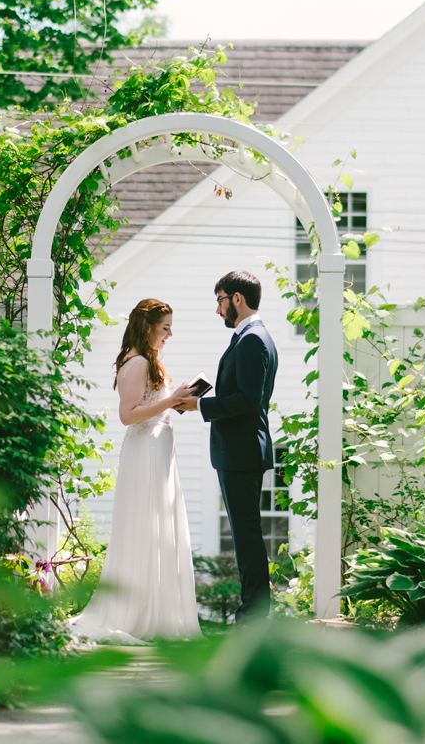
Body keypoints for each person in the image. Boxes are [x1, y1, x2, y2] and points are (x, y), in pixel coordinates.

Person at [68, 298, 202, 644]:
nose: (170, 334)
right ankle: (140, 612)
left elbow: (148, 407)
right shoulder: (139, 361)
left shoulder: (145, 360)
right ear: (148, 328)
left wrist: (175, 400)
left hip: (156, 452)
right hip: (145, 453)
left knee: (157, 528)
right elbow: (128, 414)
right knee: (145, 527)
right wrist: (171, 400)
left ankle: (157, 609)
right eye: (165, 328)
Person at [175, 270, 278, 624]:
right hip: (240, 450)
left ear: (237, 298)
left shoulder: (252, 339)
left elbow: (248, 399)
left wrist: (200, 406)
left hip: (242, 451)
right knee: (245, 534)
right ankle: (252, 612)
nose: (217, 310)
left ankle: (254, 616)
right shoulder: (250, 337)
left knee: (246, 536)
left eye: (220, 300)